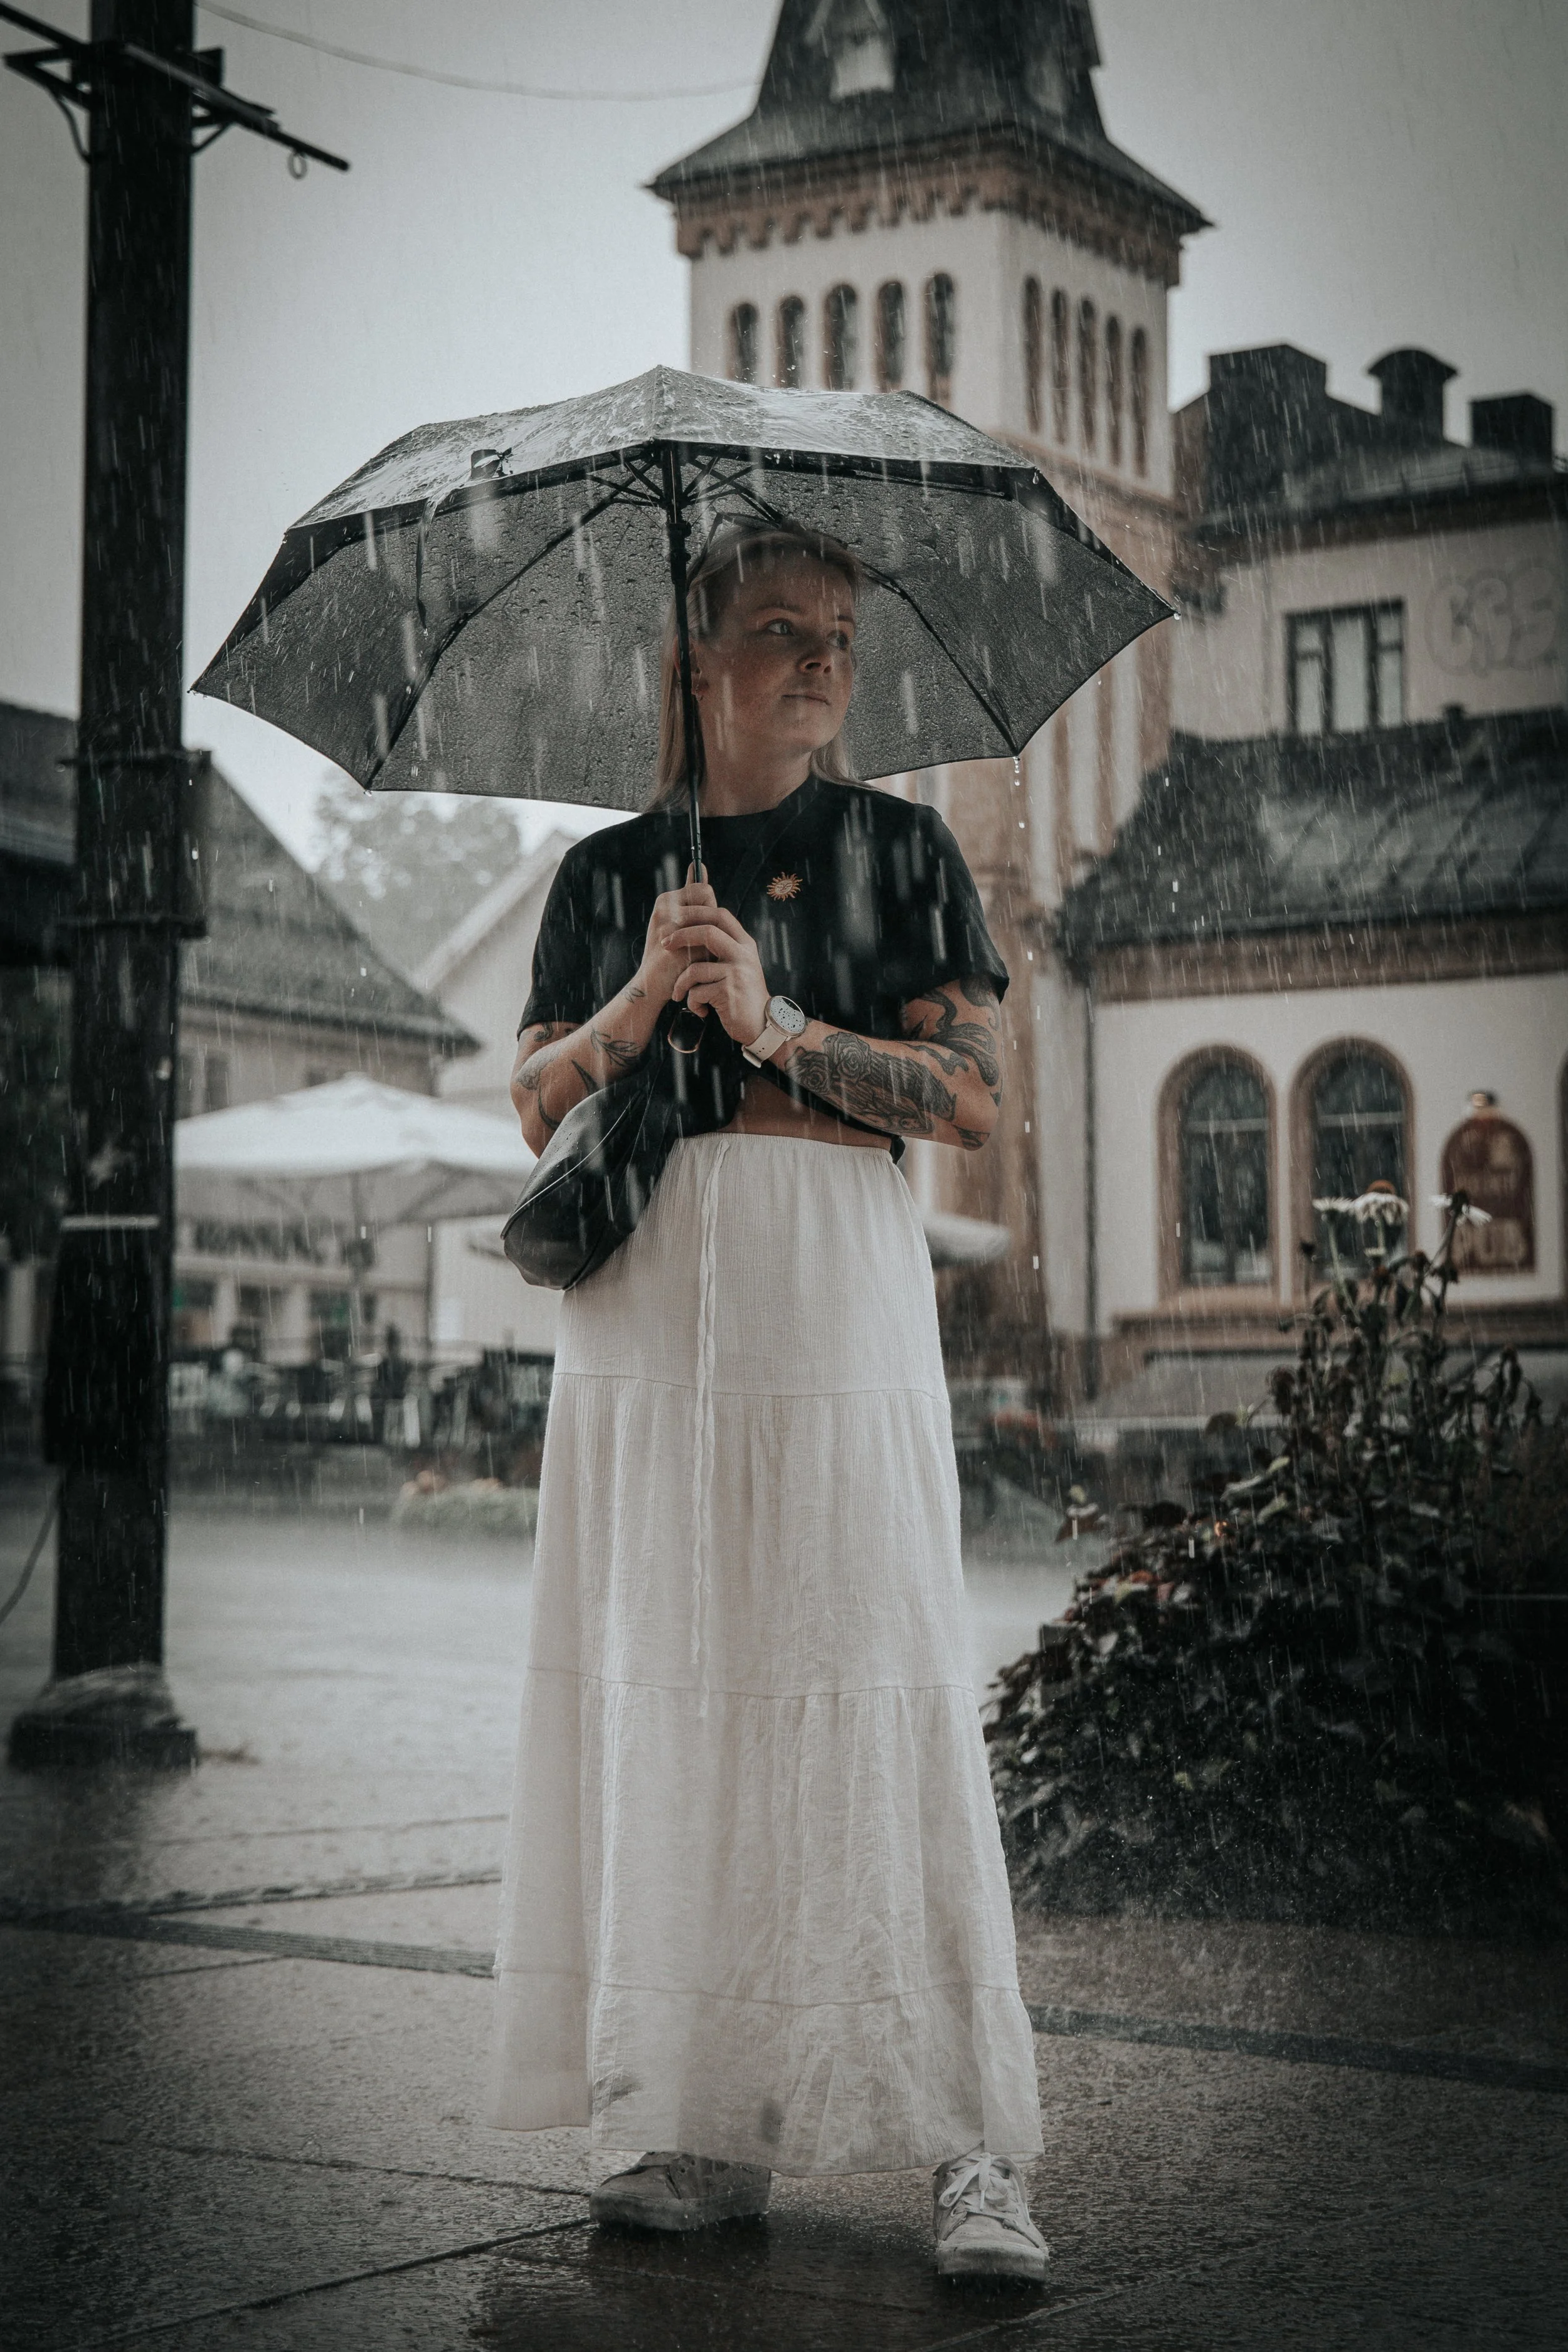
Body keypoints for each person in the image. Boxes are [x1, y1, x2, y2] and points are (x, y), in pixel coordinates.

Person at [490, 520, 1046, 2280]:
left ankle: (974, 2140)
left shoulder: (900, 846)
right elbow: (528, 1099)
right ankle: (700, 2107)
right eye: (779, 633)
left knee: (871, 1665)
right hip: (651, 1302)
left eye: (838, 639)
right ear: (695, 660)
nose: (819, 663)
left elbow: (967, 1104)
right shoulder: (606, 873)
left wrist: (781, 1023)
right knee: (677, 1674)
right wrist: (646, 997)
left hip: (829, 1266)